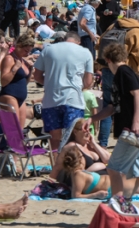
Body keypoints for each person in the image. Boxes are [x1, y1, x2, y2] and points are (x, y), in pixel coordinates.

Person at [89, 43, 139, 211]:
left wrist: (135, 122)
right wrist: (92, 119)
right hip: (135, 130)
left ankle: (120, 207)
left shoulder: (123, 72)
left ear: (108, 60)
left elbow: (138, 95)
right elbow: (112, 107)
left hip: (131, 130)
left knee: (113, 168)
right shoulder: (123, 74)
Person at [34, 28, 95, 156]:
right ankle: (71, 169)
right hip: (73, 100)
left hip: (50, 100)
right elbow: (88, 82)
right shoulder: (85, 52)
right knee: (73, 137)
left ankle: (56, 169)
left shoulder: (49, 49)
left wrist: (52, 83)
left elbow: (38, 76)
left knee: (54, 138)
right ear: (78, 42)